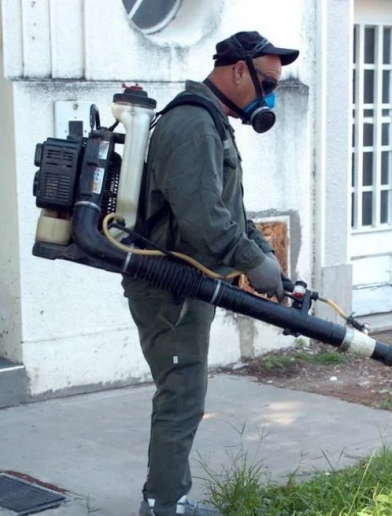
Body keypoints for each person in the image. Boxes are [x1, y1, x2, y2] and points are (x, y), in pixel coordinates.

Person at [121, 31, 300, 516]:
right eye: (266, 82)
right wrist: (251, 262)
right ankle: (164, 505)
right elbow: (206, 221)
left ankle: (166, 498)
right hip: (167, 287)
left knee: (185, 391)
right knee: (181, 393)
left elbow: (233, 215)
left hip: (185, 281)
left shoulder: (213, 124)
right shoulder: (192, 126)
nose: (269, 97)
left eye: (276, 88)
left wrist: (269, 263)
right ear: (237, 70)